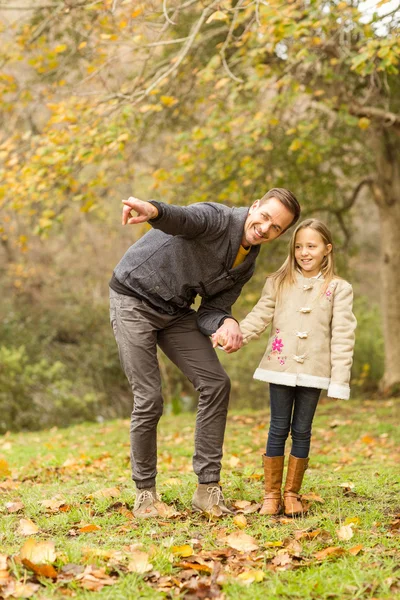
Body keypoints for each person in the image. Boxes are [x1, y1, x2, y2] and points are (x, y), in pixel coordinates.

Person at [109, 189, 300, 518]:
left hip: (174, 311)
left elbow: (212, 310)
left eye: (277, 228)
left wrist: (226, 322)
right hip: (133, 300)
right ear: (254, 206)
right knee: (149, 398)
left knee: (216, 384)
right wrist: (152, 210)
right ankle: (145, 494)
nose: (266, 228)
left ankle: (207, 491)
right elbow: (182, 218)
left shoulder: (247, 263)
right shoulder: (218, 219)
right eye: (265, 216)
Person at [213, 219, 356, 517]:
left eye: (312, 246)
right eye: (299, 246)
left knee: (302, 430)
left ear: (326, 250)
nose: (304, 252)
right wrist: (235, 335)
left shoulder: (338, 289)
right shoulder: (278, 282)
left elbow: (343, 334)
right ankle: (270, 495)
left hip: (315, 370)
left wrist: (339, 379)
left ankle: (292, 494)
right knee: (278, 427)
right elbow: (259, 316)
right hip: (279, 367)